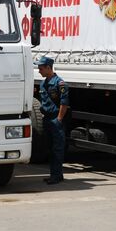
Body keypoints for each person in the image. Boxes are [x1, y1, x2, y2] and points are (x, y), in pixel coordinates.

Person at [36, 56, 70, 185]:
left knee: (57, 149)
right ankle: (55, 174)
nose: (39, 71)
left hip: (56, 119)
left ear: (49, 68)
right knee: (49, 148)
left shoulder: (59, 83)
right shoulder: (43, 83)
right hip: (47, 119)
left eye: (41, 68)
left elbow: (64, 103)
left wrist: (59, 119)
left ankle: (56, 176)